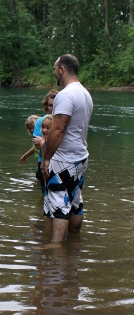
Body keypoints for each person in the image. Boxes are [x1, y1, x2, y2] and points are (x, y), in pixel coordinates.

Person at [41, 54, 93, 245]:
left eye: (55, 69)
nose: (54, 73)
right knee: (75, 200)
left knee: (58, 201)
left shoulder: (65, 95)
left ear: (62, 69)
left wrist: (47, 158)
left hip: (64, 158)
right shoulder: (85, 94)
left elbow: (58, 129)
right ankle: (74, 242)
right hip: (81, 157)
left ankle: (56, 248)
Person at [32, 90, 58, 191]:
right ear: (46, 106)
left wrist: (44, 140)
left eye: (56, 105)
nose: (53, 108)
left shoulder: (64, 121)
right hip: (42, 160)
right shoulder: (40, 121)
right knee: (45, 192)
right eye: (51, 105)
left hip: (60, 160)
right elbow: (36, 144)